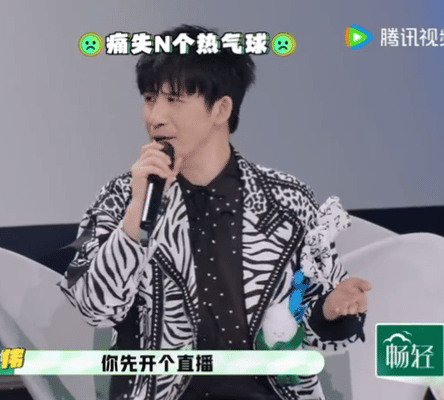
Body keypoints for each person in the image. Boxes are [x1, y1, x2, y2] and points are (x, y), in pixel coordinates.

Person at [59, 25, 371, 400]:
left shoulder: (288, 201)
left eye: (174, 100)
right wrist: (137, 214)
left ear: (221, 109)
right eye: (149, 99)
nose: (155, 117)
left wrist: (332, 311)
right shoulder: (122, 196)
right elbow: (94, 309)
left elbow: (311, 325)